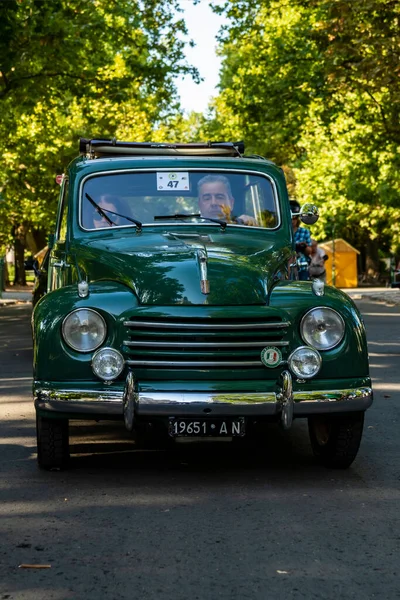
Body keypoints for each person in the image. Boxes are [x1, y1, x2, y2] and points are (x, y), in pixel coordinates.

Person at [290, 200, 312, 281]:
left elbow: (309, 251)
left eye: (294, 218)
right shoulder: (283, 233)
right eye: (290, 218)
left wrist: (304, 246)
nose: (292, 221)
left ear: (298, 219)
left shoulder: (304, 231)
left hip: (302, 266)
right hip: (286, 269)